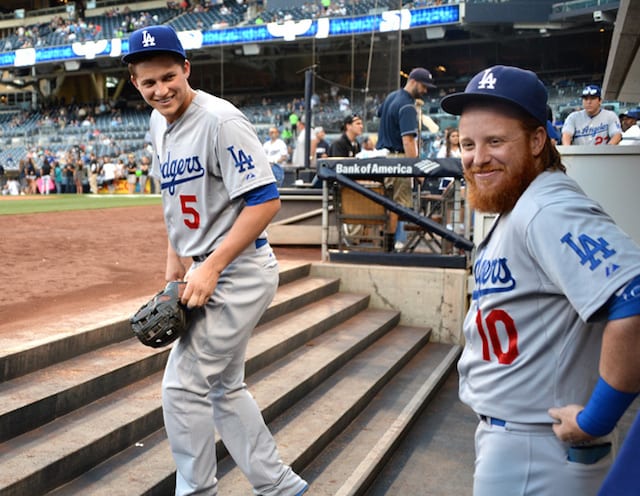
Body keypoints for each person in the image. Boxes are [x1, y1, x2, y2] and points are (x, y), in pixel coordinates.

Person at [123, 25, 308, 496]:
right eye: (149, 83)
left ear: (187, 68)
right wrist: (172, 279)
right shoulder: (157, 125)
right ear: (134, 83)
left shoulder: (220, 120)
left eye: (169, 76)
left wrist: (212, 266)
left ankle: (197, 491)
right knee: (225, 388)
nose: (161, 90)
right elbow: (174, 212)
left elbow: (266, 202)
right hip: (208, 271)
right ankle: (281, 486)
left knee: (182, 387)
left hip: (239, 271)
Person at [440, 65, 640, 496]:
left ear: (536, 140)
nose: (477, 158)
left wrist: (596, 419)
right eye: (468, 144)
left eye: (495, 141)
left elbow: (635, 300)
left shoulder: (546, 207)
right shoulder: (525, 202)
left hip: (539, 446)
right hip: (522, 440)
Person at [376, 67, 436, 250]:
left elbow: (380, 113)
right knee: (397, 205)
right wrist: (416, 169)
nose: (425, 91)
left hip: (386, 158)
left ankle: (386, 245)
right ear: (413, 81)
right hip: (401, 158)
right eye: (424, 86)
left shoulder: (391, 97)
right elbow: (408, 141)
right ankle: (390, 247)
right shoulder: (408, 105)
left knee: (388, 204)